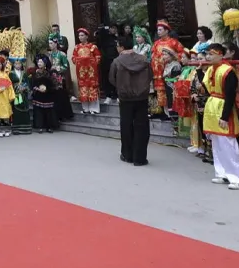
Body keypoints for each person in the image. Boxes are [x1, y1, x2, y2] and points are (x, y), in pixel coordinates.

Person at [201, 43, 239, 190]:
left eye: (211, 54)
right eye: (207, 54)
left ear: (221, 54)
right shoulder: (210, 70)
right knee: (217, 144)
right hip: (212, 105)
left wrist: (225, 116)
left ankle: (236, 178)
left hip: (223, 107)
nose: (208, 57)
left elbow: (231, 95)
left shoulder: (227, 71)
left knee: (228, 144)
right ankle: (222, 173)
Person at [110, 35, 151, 166]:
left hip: (125, 98)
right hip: (142, 97)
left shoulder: (117, 61)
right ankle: (140, 158)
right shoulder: (143, 59)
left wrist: (121, 87)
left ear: (121, 47)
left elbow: (112, 79)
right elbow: (150, 75)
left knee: (126, 125)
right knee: (142, 126)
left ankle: (127, 155)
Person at [151, 21, 185, 116]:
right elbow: (153, 56)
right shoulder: (156, 43)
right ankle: (165, 113)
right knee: (161, 94)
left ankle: (174, 113)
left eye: (160, 30)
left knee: (171, 93)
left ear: (166, 31)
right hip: (158, 74)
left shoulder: (174, 42)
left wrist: (173, 56)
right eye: (158, 30)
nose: (158, 32)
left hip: (170, 72)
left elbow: (182, 55)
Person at [72, 28, 101, 114]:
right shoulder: (77, 47)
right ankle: (85, 108)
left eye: (82, 35)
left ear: (87, 36)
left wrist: (90, 61)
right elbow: (73, 58)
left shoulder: (93, 47)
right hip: (81, 73)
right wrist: (80, 60)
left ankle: (94, 109)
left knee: (92, 88)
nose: (80, 37)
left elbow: (98, 57)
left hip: (91, 72)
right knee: (83, 89)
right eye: (79, 35)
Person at [29, 55, 58, 133]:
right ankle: (39, 126)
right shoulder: (34, 73)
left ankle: (49, 126)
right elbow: (32, 84)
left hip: (48, 94)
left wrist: (47, 89)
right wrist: (37, 89)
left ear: (45, 63)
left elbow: (54, 84)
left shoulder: (49, 73)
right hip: (38, 95)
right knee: (38, 111)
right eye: (38, 62)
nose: (39, 63)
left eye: (41, 62)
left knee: (49, 111)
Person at [9, 58, 33, 135]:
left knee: (24, 109)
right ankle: (16, 129)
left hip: (23, 94)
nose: (18, 65)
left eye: (19, 64)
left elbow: (27, 83)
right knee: (16, 110)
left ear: (21, 65)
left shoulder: (24, 73)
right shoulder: (11, 73)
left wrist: (25, 87)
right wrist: (15, 87)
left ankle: (26, 128)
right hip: (16, 94)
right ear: (13, 65)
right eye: (16, 64)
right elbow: (9, 84)